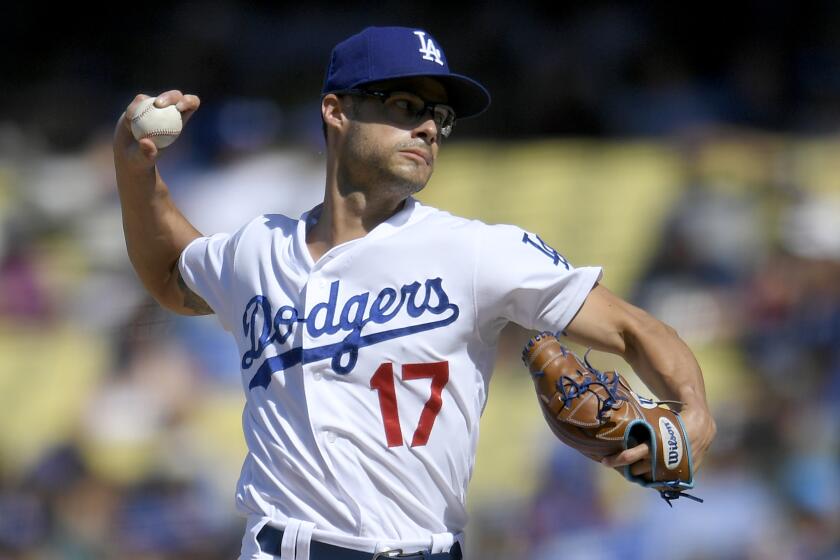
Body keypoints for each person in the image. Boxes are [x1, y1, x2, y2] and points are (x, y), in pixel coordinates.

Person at [112, 26, 716, 560]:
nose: (428, 126)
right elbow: (170, 273)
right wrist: (135, 169)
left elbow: (638, 331)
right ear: (335, 111)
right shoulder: (257, 251)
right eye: (404, 105)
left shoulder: (476, 251)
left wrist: (693, 412)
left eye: (439, 118)